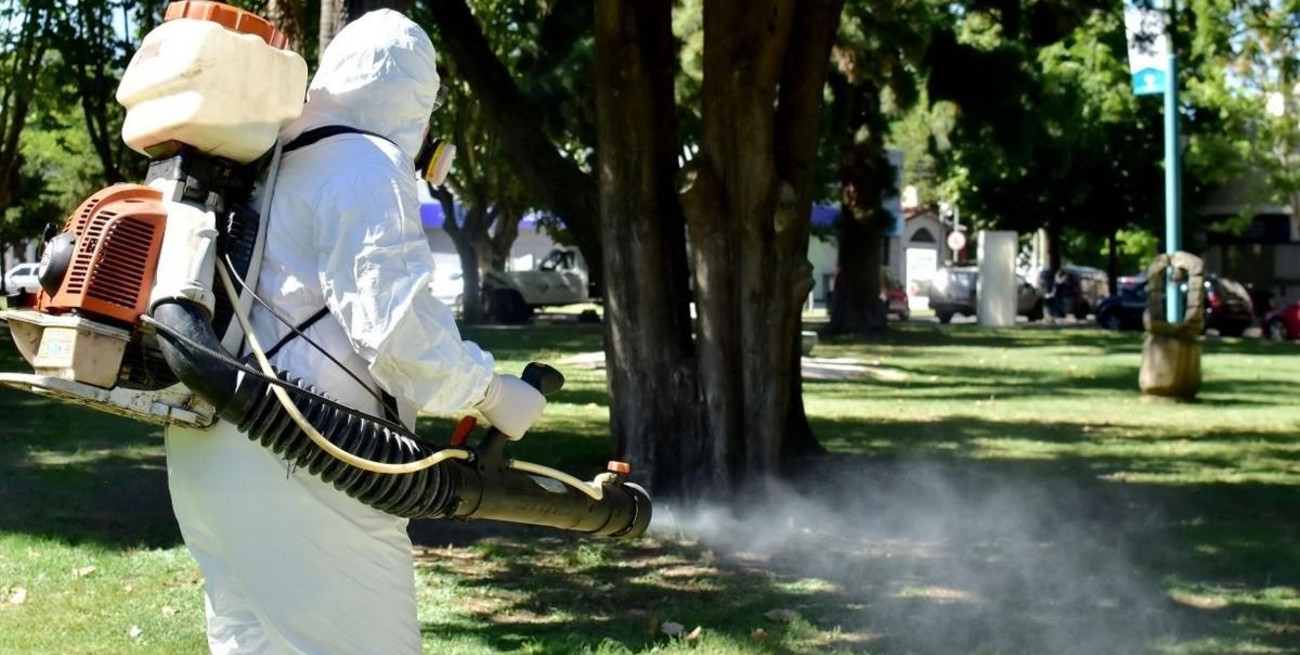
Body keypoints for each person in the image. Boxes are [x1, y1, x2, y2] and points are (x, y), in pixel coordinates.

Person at [163, 10, 546, 654]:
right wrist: (492, 391)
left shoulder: (266, 162)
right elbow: (400, 337)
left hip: (206, 447)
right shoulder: (365, 165)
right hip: (305, 466)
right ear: (413, 98)